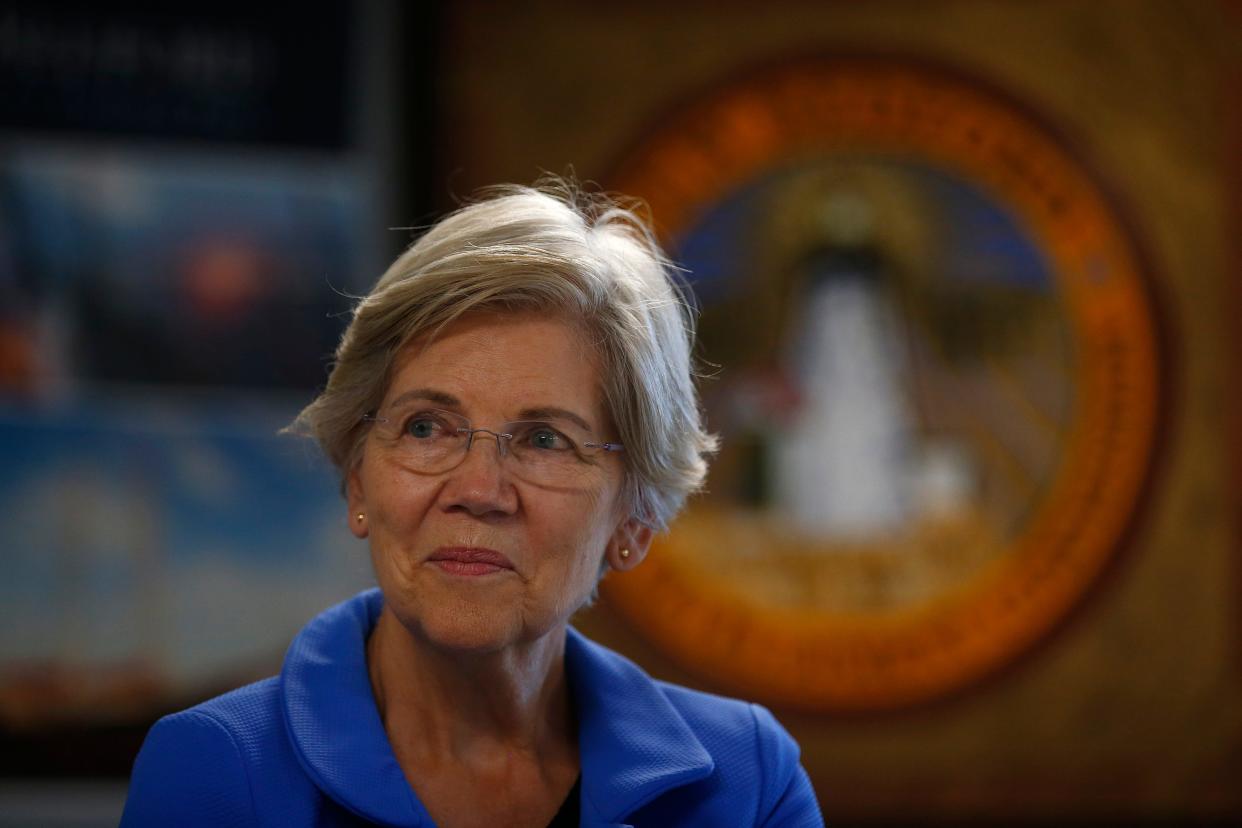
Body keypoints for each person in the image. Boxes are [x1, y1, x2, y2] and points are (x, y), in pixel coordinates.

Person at [120, 179, 824, 827]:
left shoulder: (748, 784)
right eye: (426, 427)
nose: (478, 491)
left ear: (633, 520)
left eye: (545, 440)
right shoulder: (218, 772)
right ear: (358, 478)